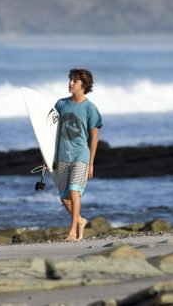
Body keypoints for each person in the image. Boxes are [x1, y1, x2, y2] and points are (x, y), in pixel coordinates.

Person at [54, 68, 102, 242]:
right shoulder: (60, 104)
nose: (71, 83)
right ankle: (80, 221)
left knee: (74, 191)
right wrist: (47, 158)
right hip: (62, 156)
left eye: (75, 81)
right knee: (65, 199)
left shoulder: (90, 108)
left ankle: (72, 232)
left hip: (81, 155)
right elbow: (51, 133)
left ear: (83, 85)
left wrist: (91, 163)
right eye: (70, 80)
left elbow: (94, 137)